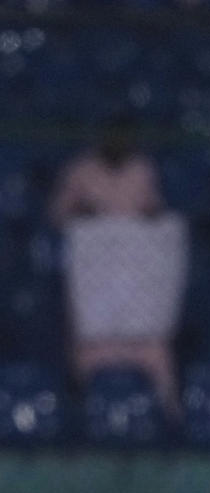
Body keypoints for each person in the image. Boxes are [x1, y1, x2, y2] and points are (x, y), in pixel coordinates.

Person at [50, 115, 185, 419]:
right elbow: (58, 214)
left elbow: (155, 209)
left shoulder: (142, 169)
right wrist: (80, 211)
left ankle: (171, 416)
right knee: (85, 348)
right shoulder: (80, 170)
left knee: (156, 350)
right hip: (96, 278)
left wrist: (151, 215)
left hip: (137, 276)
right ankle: (78, 416)